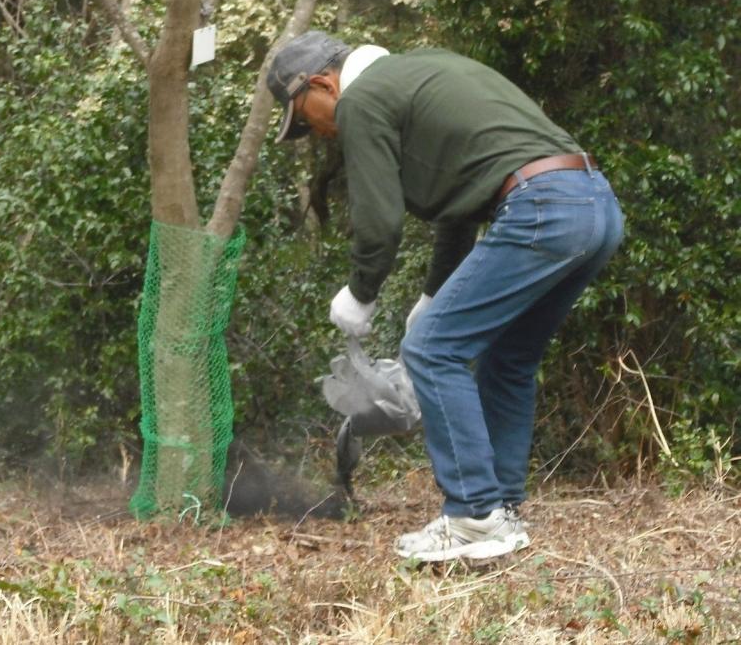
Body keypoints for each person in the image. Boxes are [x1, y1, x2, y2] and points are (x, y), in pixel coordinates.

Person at [267, 31, 624, 562]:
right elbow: (459, 207)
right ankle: (498, 512)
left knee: (433, 351)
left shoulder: (362, 99)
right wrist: (433, 295)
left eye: (304, 116)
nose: (315, 131)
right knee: (509, 360)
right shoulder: (421, 70)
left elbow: (379, 224)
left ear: (322, 83)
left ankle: (473, 515)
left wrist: (360, 294)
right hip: (592, 204)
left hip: (541, 207)